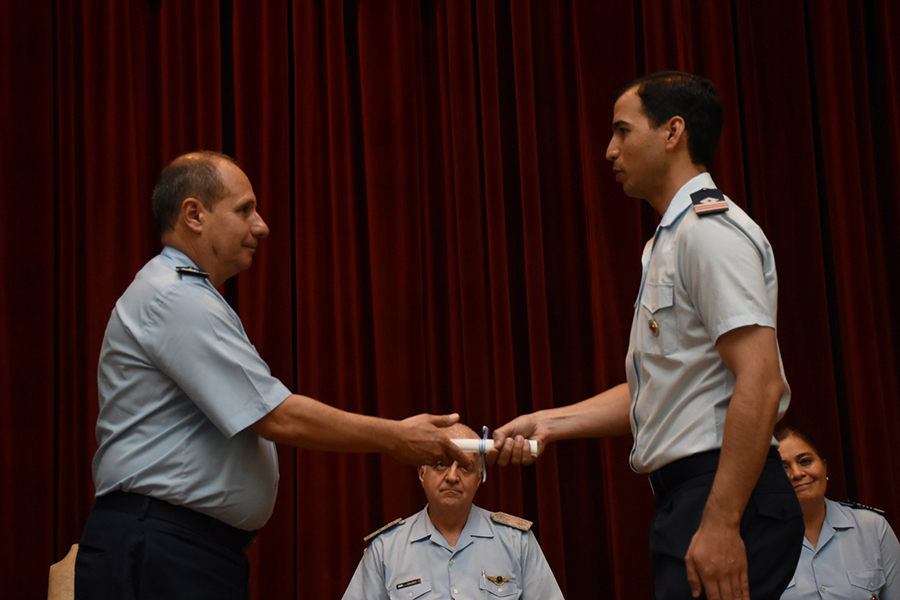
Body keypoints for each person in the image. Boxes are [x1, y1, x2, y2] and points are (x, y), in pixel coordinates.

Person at [75, 151, 473, 599]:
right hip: (160, 551)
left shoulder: (185, 293)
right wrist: (395, 438)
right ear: (194, 215)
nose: (261, 225)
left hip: (181, 549)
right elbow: (276, 416)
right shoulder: (174, 296)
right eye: (244, 210)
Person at [486, 71, 804, 600]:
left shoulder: (708, 233)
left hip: (723, 494)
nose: (610, 150)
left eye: (622, 131)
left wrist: (722, 522)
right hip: (691, 496)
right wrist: (548, 423)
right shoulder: (671, 241)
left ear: (672, 131)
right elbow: (660, 389)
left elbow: (762, 381)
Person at [341, 423, 564, 600]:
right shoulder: (386, 549)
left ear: (479, 478)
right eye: (441, 464)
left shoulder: (517, 542)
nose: (452, 477)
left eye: (465, 467)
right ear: (421, 473)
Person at [776, 427, 899, 599]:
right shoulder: (757, 541)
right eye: (783, 467)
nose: (797, 473)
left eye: (805, 461)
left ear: (824, 467)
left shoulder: (872, 527)